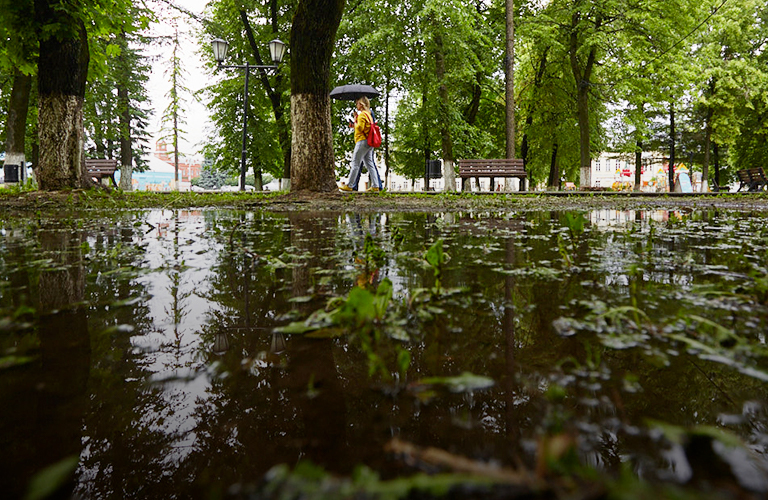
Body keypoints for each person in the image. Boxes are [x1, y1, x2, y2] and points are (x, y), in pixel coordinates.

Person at [339, 96, 381, 192]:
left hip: (362, 141)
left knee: (355, 163)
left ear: (361, 104)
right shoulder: (368, 114)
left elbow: (360, 128)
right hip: (369, 141)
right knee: (369, 163)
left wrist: (355, 120)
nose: (356, 105)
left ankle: (350, 185)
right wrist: (355, 123)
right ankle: (375, 185)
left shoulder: (362, 115)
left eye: (357, 103)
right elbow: (363, 127)